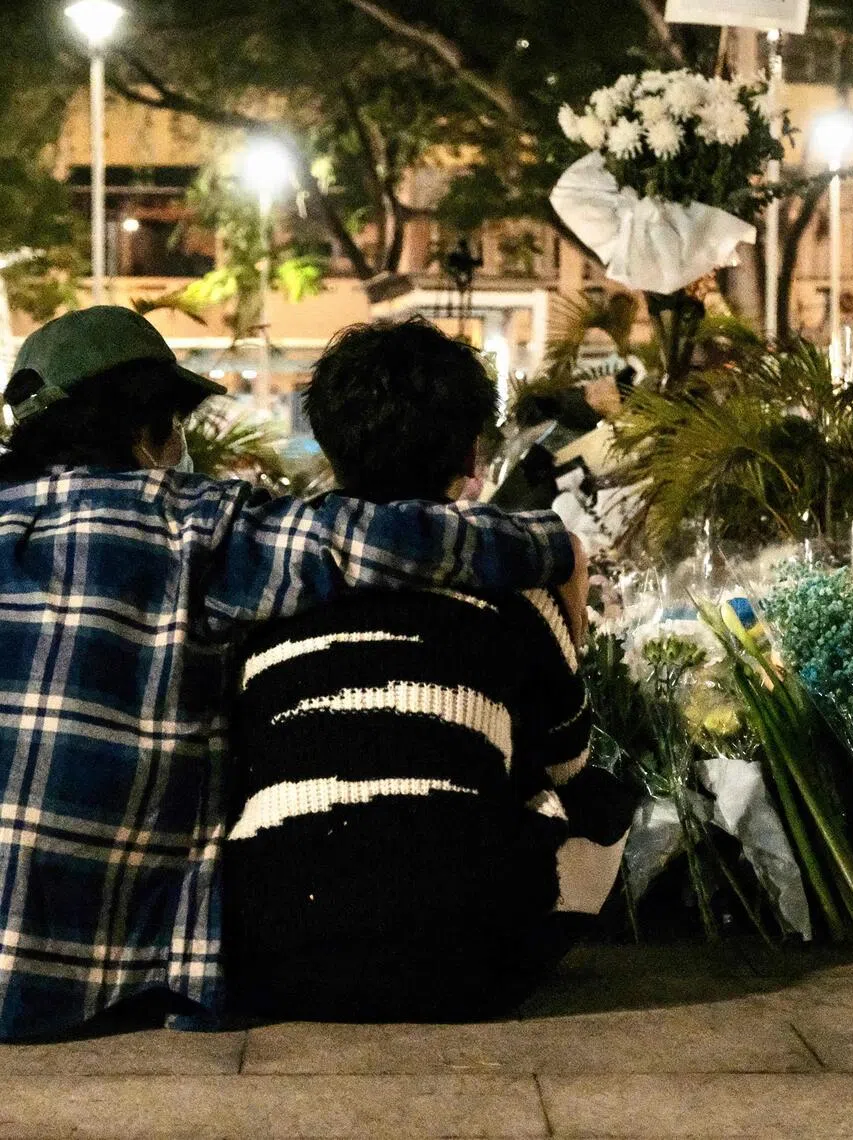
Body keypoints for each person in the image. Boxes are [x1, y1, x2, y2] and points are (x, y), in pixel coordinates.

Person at [0, 306, 583, 1041]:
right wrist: (552, 543)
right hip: (101, 975)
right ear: (149, 427)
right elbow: (375, 537)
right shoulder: (199, 524)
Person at [225, 318, 635, 1022]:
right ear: (473, 450)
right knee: (599, 801)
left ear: (328, 442)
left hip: (268, 958)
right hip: (466, 971)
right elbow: (570, 760)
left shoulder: (271, 583)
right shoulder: (516, 588)